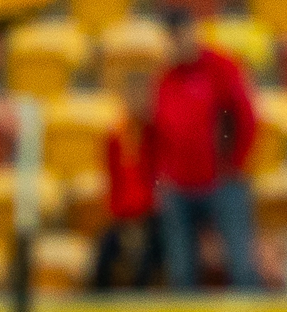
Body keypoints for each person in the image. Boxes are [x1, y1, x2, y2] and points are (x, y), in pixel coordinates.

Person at [150, 5, 259, 290]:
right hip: (179, 186)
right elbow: (159, 133)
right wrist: (162, 177)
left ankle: (249, 311)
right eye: (171, 38)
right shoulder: (166, 77)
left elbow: (246, 118)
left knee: (240, 263)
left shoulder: (221, 68)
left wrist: (234, 164)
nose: (177, 43)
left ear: (193, 32)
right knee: (181, 269)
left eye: (180, 35)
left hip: (221, 181)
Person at [92, 66, 163, 290]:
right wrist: (124, 219)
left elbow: (159, 181)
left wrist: (144, 215)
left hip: (152, 217)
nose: (137, 100)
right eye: (132, 94)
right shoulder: (116, 136)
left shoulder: (158, 133)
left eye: (142, 94)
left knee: (150, 257)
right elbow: (113, 183)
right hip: (124, 216)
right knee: (103, 257)